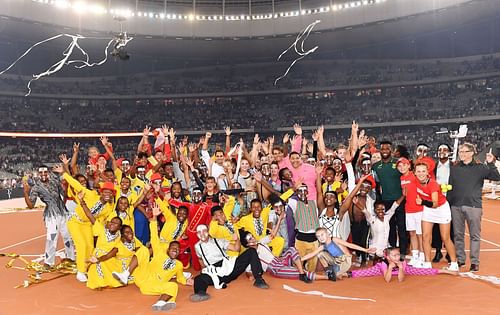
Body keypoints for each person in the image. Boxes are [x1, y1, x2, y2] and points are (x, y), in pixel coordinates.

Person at [112, 202, 193, 312]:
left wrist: (186, 281)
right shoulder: (160, 252)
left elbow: (180, 278)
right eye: (173, 248)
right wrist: (154, 217)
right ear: (168, 249)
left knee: (173, 286)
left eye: (177, 249)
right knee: (144, 250)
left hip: (151, 286)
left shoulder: (179, 265)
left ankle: (161, 302)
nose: (175, 250)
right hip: (143, 276)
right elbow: (154, 236)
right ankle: (125, 274)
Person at [447, 144, 500, 272]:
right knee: (458, 235)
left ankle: (474, 262)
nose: (462, 154)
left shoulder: (480, 167)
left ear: (472, 153)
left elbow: (497, 177)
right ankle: (460, 259)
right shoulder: (454, 168)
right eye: (460, 151)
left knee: (474, 235)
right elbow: (451, 186)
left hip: (474, 206)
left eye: (465, 151)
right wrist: (448, 204)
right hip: (456, 206)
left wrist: (491, 162)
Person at [190, 224, 269, 302]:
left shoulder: (219, 241)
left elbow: (236, 249)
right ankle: (201, 294)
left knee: (251, 251)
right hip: (215, 274)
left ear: (208, 231)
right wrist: (204, 269)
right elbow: (200, 258)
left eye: (204, 231)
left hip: (230, 268)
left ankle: (259, 279)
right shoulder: (197, 246)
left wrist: (237, 240)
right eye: (199, 232)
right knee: (199, 279)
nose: (202, 234)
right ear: (197, 234)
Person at [22, 165, 75, 269]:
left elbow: (65, 189)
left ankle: (71, 258)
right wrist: (25, 192)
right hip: (51, 215)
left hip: (63, 212)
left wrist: (62, 171)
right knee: (52, 238)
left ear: (48, 172)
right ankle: (48, 262)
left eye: (45, 172)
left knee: (68, 237)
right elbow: (31, 205)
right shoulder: (36, 187)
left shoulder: (54, 181)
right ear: (38, 174)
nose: (43, 175)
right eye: (41, 173)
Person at [240, 230, 331, 283]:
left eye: (252, 236)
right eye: (249, 239)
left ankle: (301, 272)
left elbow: (272, 236)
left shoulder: (261, 242)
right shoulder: (250, 254)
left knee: (291, 249)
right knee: (297, 272)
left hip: (279, 260)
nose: (253, 238)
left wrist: (280, 218)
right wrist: (250, 276)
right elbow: (248, 270)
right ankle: (327, 277)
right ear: (247, 244)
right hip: (274, 268)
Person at [414, 163, 458, 271]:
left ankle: (454, 262)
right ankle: (427, 262)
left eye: (423, 171)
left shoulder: (432, 184)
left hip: (441, 209)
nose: (421, 174)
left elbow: (435, 203)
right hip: (428, 209)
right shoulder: (415, 181)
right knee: (425, 236)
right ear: (415, 173)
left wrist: (422, 202)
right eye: (418, 171)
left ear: (427, 172)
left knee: (445, 237)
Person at [77, 191, 123, 290]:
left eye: (116, 224)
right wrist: (82, 201)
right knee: (96, 269)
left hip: (109, 257)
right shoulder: (101, 229)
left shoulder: (119, 236)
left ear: (119, 228)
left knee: (108, 265)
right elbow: (90, 215)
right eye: (111, 222)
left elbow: (113, 252)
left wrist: (100, 259)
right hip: (97, 255)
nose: (112, 224)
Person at [373, 141, 407, 260]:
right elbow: (376, 183)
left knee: (402, 227)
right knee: (390, 227)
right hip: (386, 201)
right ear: (380, 150)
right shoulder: (376, 166)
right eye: (383, 149)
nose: (385, 151)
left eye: (387, 148)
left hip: (400, 199)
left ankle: (402, 252)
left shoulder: (397, 163)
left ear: (391, 151)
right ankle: (392, 250)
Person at [301, 227, 376, 280]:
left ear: (327, 234)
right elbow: (312, 254)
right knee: (319, 254)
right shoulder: (323, 246)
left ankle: (344, 273)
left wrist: (365, 250)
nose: (321, 238)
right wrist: (300, 259)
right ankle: (329, 271)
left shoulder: (334, 239)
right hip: (336, 261)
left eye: (322, 235)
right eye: (318, 236)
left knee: (335, 275)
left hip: (345, 261)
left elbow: (350, 245)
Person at [349, 247, 458, 282]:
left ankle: (444, 271)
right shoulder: (383, 263)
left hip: (403, 269)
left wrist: (401, 268)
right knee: (367, 272)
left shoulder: (402, 262)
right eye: (394, 256)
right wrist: (390, 268)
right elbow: (387, 280)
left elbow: (401, 279)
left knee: (420, 271)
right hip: (384, 270)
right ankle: (348, 274)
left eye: (398, 255)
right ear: (388, 257)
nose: (397, 257)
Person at [397, 157, 424, 266]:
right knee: (412, 233)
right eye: (399, 166)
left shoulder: (415, 176)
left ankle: (422, 257)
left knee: (420, 234)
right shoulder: (401, 178)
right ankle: (415, 256)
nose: (402, 167)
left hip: (419, 209)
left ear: (409, 165)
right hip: (409, 210)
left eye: (404, 164)